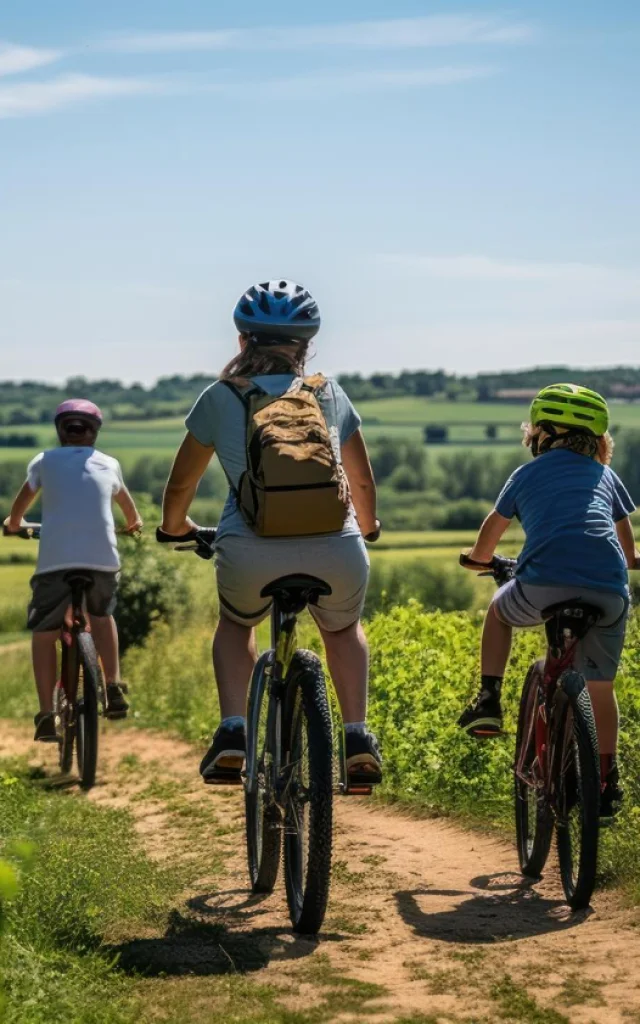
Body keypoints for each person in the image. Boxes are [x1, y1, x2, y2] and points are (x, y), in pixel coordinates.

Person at [160, 279, 382, 785]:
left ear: (243, 342)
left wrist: (177, 529)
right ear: (305, 347)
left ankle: (234, 731)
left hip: (250, 551)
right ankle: (355, 737)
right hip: (338, 551)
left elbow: (180, 488)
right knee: (343, 629)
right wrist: (366, 528)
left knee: (237, 626)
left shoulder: (220, 398)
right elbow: (363, 481)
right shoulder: (329, 393)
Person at [458, 383, 639, 816]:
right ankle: (606, 780)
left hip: (544, 584)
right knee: (600, 686)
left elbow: (493, 526)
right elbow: (626, 541)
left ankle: (488, 699)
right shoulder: (606, 476)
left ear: (544, 434)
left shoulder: (525, 475)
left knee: (500, 612)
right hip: (609, 588)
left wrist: (479, 559)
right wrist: (629, 560)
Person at [4, 399, 142, 742]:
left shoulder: (43, 461)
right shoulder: (110, 464)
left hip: (55, 563)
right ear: (95, 432)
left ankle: (46, 714)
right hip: (102, 561)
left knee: (44, 632)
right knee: (102, 615)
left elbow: (19, 509)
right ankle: (113, 687)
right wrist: (133, 524)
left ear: (59, 430)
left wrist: (14, 524)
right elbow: (130, 511)